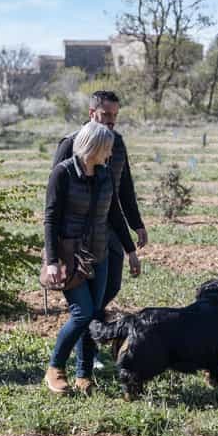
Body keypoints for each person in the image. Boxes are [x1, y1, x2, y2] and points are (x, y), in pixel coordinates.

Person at [44, 121, 137, 395]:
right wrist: (51, 260)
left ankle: (83, 375)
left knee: (94, 315)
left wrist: (130, 250)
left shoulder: (105, 174)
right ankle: (55, 368)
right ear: (94, 147)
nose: (111, 153)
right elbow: (50, 219)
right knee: (82, 313)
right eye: (107, 148)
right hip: (70, 257)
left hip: (100, 253)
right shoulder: (62, 174)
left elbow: (115, 215)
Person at [52, 91, 145, 313]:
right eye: (106, 114)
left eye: (115, 114)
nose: (111, 120)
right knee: (85, 301)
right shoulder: (70, 143)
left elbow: (125, 188)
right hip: (76, 234)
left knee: (112, 286)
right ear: (92, 113)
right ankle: (87, 335)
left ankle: (89, 330)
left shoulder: (118, 143)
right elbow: (54, 196)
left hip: (109, 226)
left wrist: (137, 224)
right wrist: (55, 244)